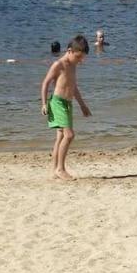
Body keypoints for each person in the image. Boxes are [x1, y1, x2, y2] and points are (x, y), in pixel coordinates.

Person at [40, 35, 91, 180]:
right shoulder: (59, 64)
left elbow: (73, 87)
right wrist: (44, 104)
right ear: (69, 51)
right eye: (78, 57)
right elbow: (45, 83)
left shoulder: (73, 66)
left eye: (82, 58)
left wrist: (82, 105)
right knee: (69, 135)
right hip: (57, 103)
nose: (80, 61)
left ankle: (54, 170)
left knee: (61, 137)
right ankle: (61, 169)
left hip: (68, 104)